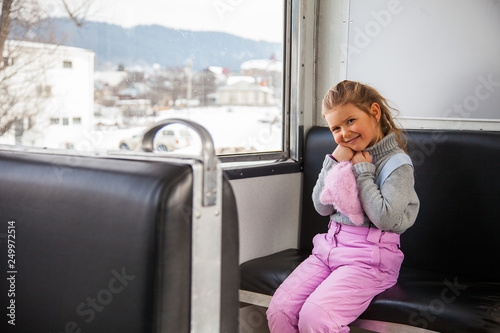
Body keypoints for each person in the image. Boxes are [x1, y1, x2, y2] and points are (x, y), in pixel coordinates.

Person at [266, 80, 420, 332]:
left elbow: (384, 218)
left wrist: (362, 172)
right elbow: (321, 206)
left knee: (316, 318)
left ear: (374, 112)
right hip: (327, 252)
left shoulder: (397, 165)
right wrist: (334, 161)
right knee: (280, 310)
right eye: (335, 128)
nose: (344, 133)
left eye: (350, 121)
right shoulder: (344, 154)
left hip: (369, 262)